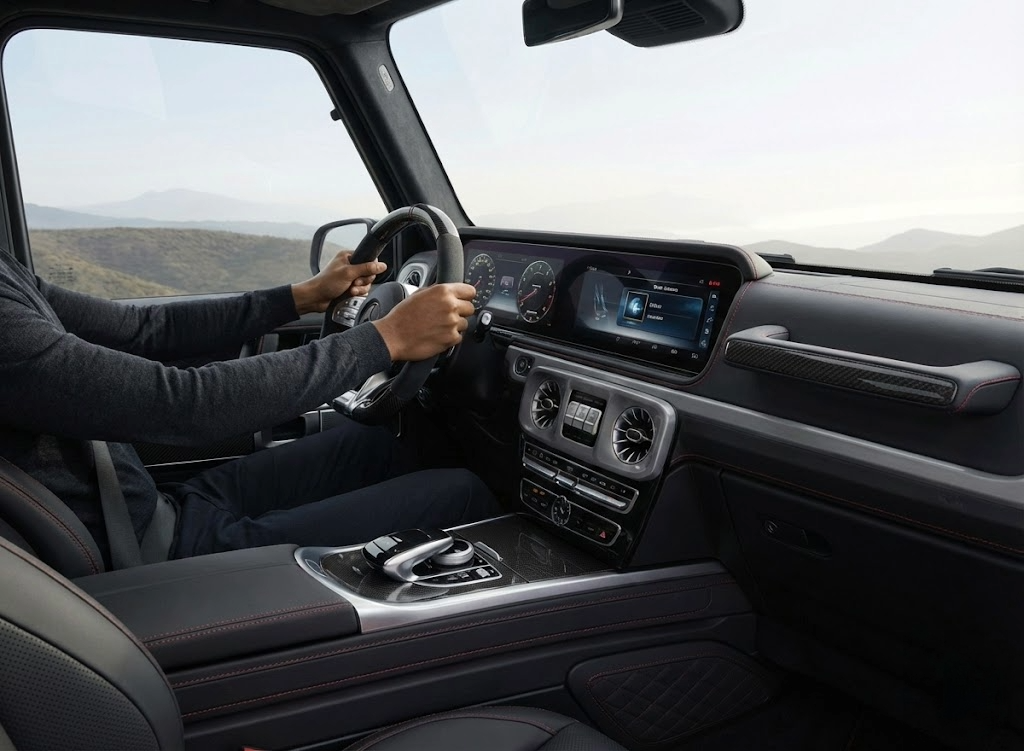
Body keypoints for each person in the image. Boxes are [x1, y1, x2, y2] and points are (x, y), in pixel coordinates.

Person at [0, 246, 498, 568]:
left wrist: (298, 298)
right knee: (461, 492)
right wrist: (385, 339)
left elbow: (145, 330)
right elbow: (181, 406)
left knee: (389, 443)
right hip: (146, 553)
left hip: (149, 507)